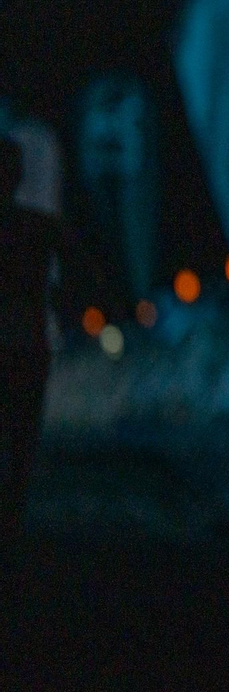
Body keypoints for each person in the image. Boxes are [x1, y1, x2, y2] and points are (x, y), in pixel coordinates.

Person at [0, 139, 71, 594]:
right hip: (25, 344)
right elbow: (79, 276)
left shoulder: (38, 228)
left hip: (23, 343)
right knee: (21, 438)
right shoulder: (38, 228)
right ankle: (11, 529)